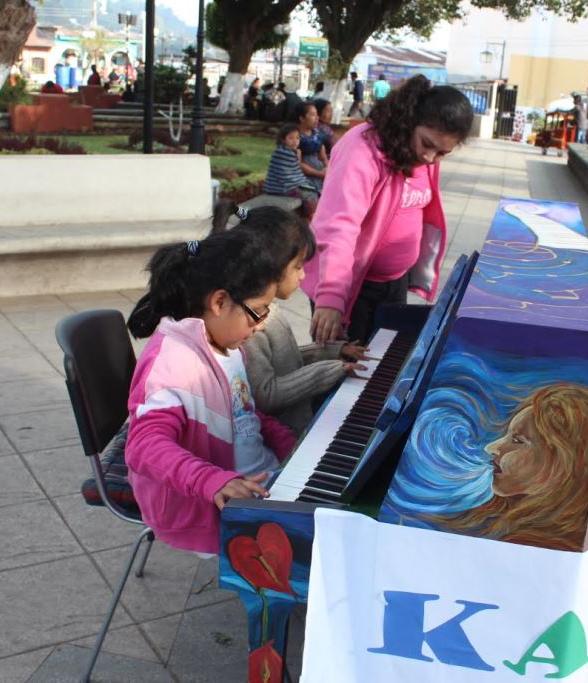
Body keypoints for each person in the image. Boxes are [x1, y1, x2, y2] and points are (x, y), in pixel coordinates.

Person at [124, 207, 302, 554]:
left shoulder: (227, 344)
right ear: (219, 301)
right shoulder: (172, 364)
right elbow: (144, 446)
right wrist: (212, 480)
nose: (261, 325)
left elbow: (242, 411)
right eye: (258, 312)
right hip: (213, 504)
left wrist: (291, 445)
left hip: (256, 478)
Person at [305, 74, 473, 346]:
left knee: (382, 361)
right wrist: (331, 296)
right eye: (427, 144)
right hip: (349, 285)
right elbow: (338, 226)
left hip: (393, 283)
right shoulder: (361, 149)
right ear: (409, 121)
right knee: (347, 367)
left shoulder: (422, 157)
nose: (430, 158)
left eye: (442, 153)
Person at [241, 208, 370, 435]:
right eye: (298, 267)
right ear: (271, 265)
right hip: (281, 435)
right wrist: (329, 370)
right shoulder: (252, 323)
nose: (303, 276)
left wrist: (332, 352)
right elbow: (266, 395)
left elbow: (282, 360)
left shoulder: (269, 309)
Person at [438, 384, 588, 551]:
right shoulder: (498, 518)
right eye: (507, 436)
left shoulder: (534, 545)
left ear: (563, 464)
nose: (490, 447)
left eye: (517, 440)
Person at [264, 123, 320, 218]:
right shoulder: (281, 153)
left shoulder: (291, 152)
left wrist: (302, 182)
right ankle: (310, 217)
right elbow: (285, 175)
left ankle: (307, 216)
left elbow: (295, 171)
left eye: (297, 138)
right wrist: (300, 184)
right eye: (291, 138)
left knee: (314, 190)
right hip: (281, 187)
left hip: (290, 185)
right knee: (309, 194)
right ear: (283, 140)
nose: (295, 141)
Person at [295, 101, 329, 191]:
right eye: (313, 115)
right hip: (306, 177)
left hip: (321, 174)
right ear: (302, 118)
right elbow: (298, 163)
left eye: (317, 115)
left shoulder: (317, 135)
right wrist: (319, 174)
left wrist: (327, 169)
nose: (317, 118)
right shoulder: (296, 138)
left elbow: (323, 157)